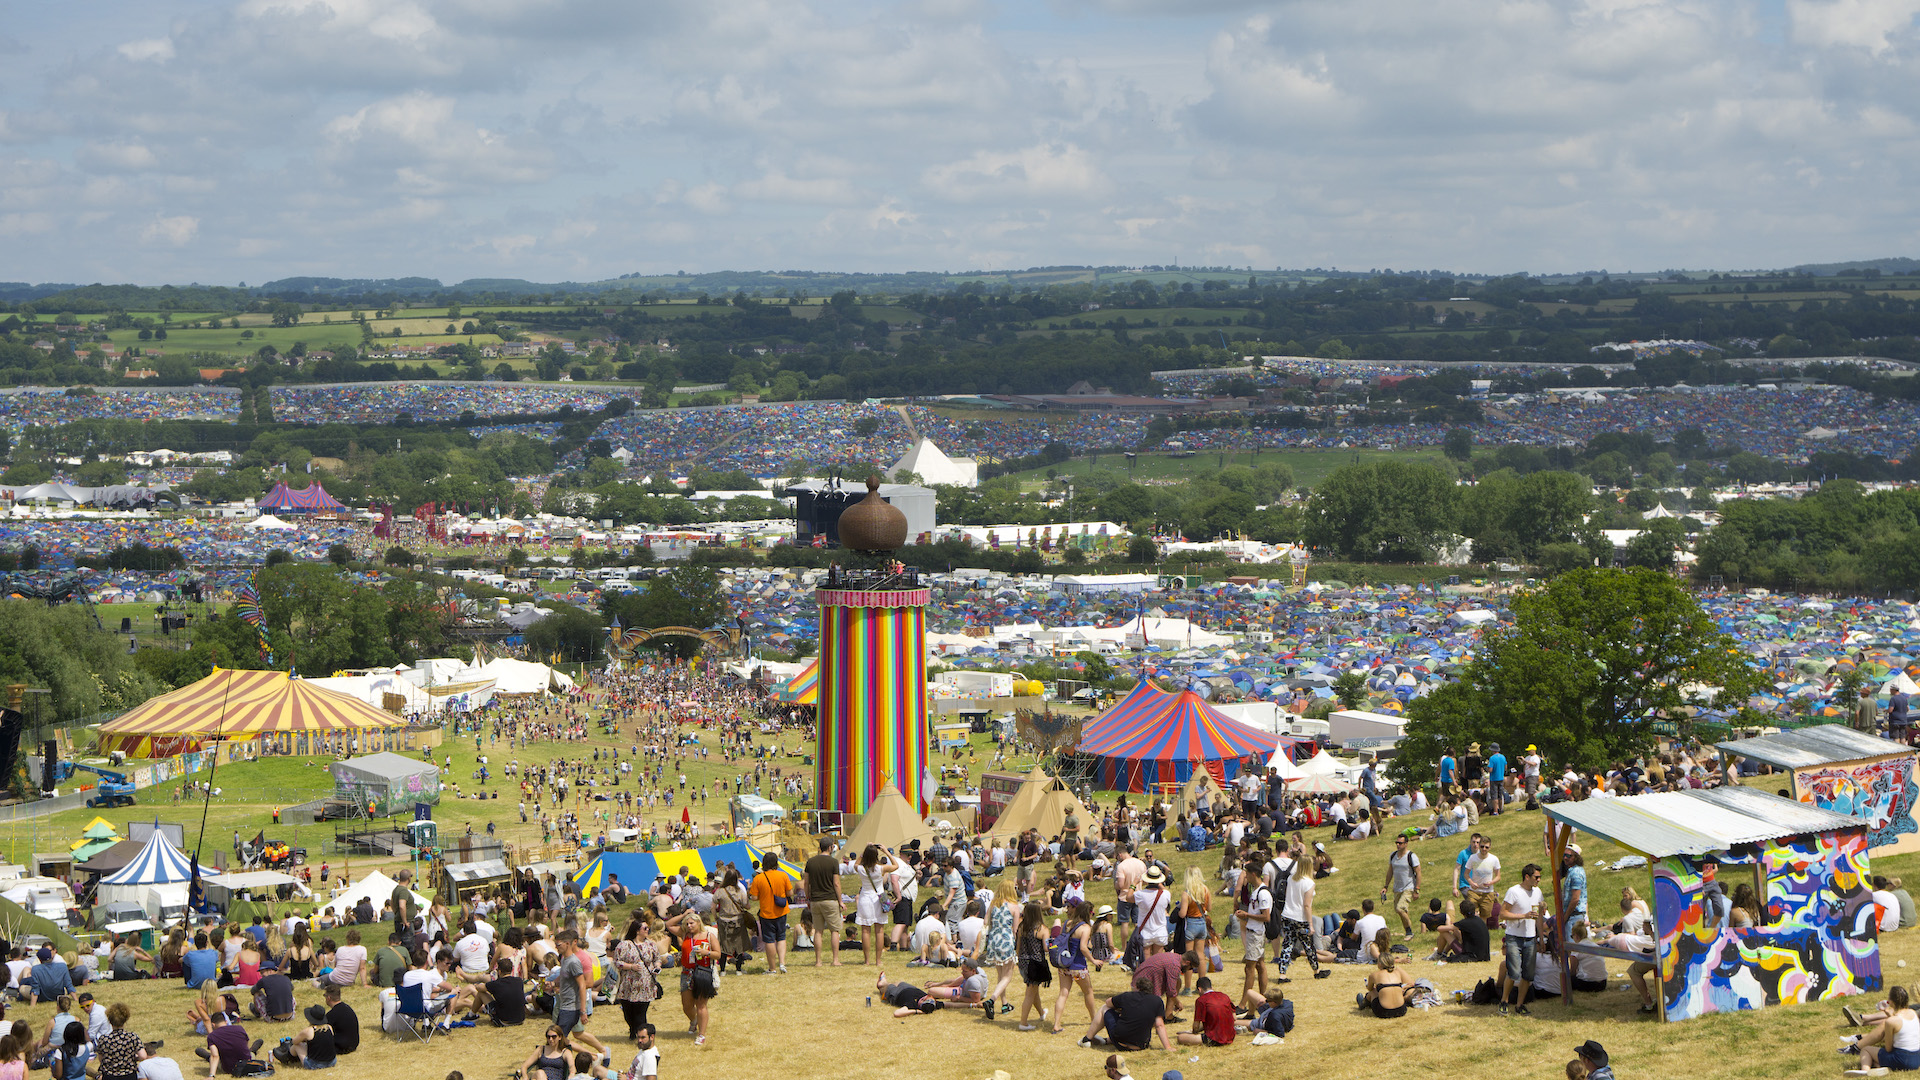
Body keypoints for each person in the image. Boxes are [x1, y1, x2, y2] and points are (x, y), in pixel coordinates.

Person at [1078, 974, 1173, 1053]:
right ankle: (1105, 1041)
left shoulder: (1127, 996)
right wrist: (1168, 1047)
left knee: (1104, 1008)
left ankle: (1087, 1039)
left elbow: (1108, 1002)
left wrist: (1120, 1008)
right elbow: (1159, 1025)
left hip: (1120, 1043)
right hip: (1141, 1045)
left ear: (1137, 987)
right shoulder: (1157, 1001)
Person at [1499, 863, 1545, 1016]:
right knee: (1514, 972)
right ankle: (1504, 1001)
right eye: (1536, 877)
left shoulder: (1538, 892)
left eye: (1539, 877)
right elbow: (1503, 914)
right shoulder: (1514, 891)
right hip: (1514, 937)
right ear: (1527, 877)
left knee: (1528, 974)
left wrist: (1541, 938)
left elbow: (1538, 916)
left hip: (1530, 938)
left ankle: (1520, 1005)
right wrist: (1523, 916)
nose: (1539, 880)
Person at [1049, 900, 1099, 1036]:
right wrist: (1093, 960)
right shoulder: (1085, 928)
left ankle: (1056, 1024)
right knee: (1088, 992)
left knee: (1063, 993)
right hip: (1078, 968)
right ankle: (1094, 1019)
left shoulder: (1067, 923)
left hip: (1064, 966)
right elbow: (1083, 947)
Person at [609, 916, 661, 1040]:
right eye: (645, 928)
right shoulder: (624, 945)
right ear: (637, 930)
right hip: (628, 985)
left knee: (641, 1013)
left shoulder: (651, 945)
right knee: (628, 1012)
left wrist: (657, 966)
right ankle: (633, 1030)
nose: (648, 930)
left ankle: (642, 1036)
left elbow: (657, 958)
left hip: (646, 984)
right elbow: (616, 962)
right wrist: (630, 966)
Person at [1274, 853, 1324, 981]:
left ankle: (1282, 973)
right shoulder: (1309, 883)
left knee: (1287, 944)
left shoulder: (1291, 878)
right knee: (1308, 945)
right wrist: (1310, 924)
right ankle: (1316, 970)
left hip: (1287, 914)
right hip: (1300, 917)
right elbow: (1307, 905)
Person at [852, 846, 899, 966]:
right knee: (879, 931)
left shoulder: (861, 868)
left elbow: (855, 865)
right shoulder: (881, 868)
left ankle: (867, 960)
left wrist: (864, 851)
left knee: (865, 931)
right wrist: (886, 851)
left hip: (865, 898)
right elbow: (895, 865)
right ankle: (878, 960)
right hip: (878, 899)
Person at [677, 914, 719, 1047]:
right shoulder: (685, 935)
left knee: (701, 1005)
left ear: (698, 922)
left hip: (702, 972)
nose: (689, 926)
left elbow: (718, 954)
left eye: (691, 923)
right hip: (687, 972)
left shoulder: (708, 936)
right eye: (687, 924)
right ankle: (694, 1020)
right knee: (687, 1005)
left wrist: (705, 952)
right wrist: (684, 914)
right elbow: (668, 925)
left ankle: (701, 1034)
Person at [803, 839, 845, 969]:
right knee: (834, 930)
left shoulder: (811, 862)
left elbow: (806, 882)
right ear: (831, 847)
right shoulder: (833, 862)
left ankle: (818, 961)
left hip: (815, 900)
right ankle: (835, 959)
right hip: (830, 899)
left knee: (818, 931)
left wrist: (807, 897)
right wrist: (840, 901)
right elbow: (836, 883)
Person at [747, 854, 790, 975]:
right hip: (781, 911)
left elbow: (754, 897)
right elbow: (790, 892)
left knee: (770, 940)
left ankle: (772, 968)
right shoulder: (783, 875)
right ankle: (782, 963)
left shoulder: (759, 878)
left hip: (766, 913)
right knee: (781, 937)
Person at [1013, 902, 1050, 1032]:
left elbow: (1018, 946)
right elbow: (1046, 948)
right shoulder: (1042, 929)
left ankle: (1041, 1013)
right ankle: (1023, 1022)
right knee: (1030, 994)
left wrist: (1018, 960)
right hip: (1036, 964)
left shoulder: (1022, 927)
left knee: (1034, 991)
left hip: (1023, 962)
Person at [1176, 976, 1234, 1046]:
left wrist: (1192, 1032)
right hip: (1230, 1036)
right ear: (1211, 987)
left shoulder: (1201, 1000)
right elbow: (1234, 1017)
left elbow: (1196, 1026)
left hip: (1213, 1038)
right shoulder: (1224, 996)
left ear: (1199, 990)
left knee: (1180, 1038)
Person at [1382, 835, 1421, 939]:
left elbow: (1418, 872)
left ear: (1406, 844)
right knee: (1400, 911)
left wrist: (1417, 889)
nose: (1398, 845)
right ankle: (1408, 931)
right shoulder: (1393, 856)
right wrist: (1386, 886)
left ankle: (1409, 932)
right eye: (1397, 843)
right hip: (1397, 888)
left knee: (1400, 909)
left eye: (1400, 843)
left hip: (1409, 887)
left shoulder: (1411, 856)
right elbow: (1390, 872)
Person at [94, 1003, 142, 1080]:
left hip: (109, 1076)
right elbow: (143, 1055)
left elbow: (101, 1059)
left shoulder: (103, 1039)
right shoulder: (132, 1037)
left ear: (109, 1021)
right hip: (129, 1075)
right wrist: (133, 1058)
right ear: (125, 1019)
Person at [1356, 950, 1410, 1018]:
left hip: (1384, 1012)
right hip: (1402, 1010)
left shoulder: (1374, 975)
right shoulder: (1397, 973)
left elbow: (1370, 989)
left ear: (1380, 963)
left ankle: (1363, 1004)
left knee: (1373, 991)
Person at [280, 1005, 336, 1070]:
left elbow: (294, 1041)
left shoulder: (308, 1031)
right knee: (306, 1045)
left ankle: (287, 1058)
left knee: (296, 1046)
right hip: (332, 1061)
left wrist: (303, 1039)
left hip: (315, 1065)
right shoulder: (329, 1027)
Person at [319, 987, 356, 1056]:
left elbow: (319, 1031)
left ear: (328, 998)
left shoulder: (332, 1014)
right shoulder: (347, 1008)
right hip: (353, 1044)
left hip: (341, 1047)